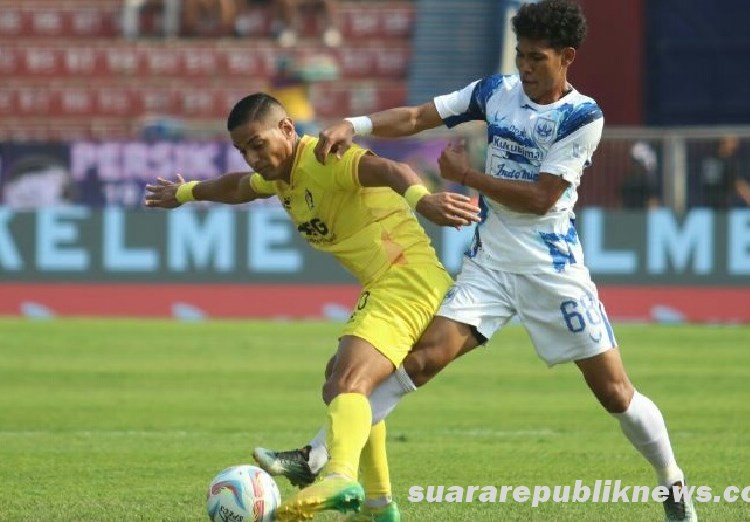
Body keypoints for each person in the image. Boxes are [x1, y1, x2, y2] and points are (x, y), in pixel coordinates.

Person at [255, 2, 698, 521]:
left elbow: (541, 198)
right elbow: (419, 117)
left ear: (567, 57)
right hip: (490, 267)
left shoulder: (582, 117)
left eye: (537, 58)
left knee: (615, 393)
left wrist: (466, 176)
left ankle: (672, 482)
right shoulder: (496, 91)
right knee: (419, 361)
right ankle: (316, 457)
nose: (525, 67)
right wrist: (356, 123)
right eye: (521, 55)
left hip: (552, 272)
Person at [143, 92, 481, 521]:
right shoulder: (283, 177)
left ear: (287, 129)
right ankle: (378, 507)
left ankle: (338, 474)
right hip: (391, 282)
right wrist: (185, 192)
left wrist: (423, 199)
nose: (252, 158)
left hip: (405, 276)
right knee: (342, 382)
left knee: (349, 380)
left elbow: (389, 169)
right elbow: (236, 187)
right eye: (243, 150)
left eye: (257, 145)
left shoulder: (324, 158)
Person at [698, 135, 750, 210]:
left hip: (724, 206)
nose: (736, 143)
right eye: (732, 140)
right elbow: (738, 184)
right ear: (723, 142)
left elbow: (738, 183)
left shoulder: (730, 161)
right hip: (714, 207)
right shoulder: (712, 160)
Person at [620, 141, 660, 209]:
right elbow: (621, 202)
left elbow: (653, 202)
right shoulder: (628, 182)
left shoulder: (648, 183)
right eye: (635, 164)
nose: (637, 166)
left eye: (639, 164)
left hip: (643, 212)